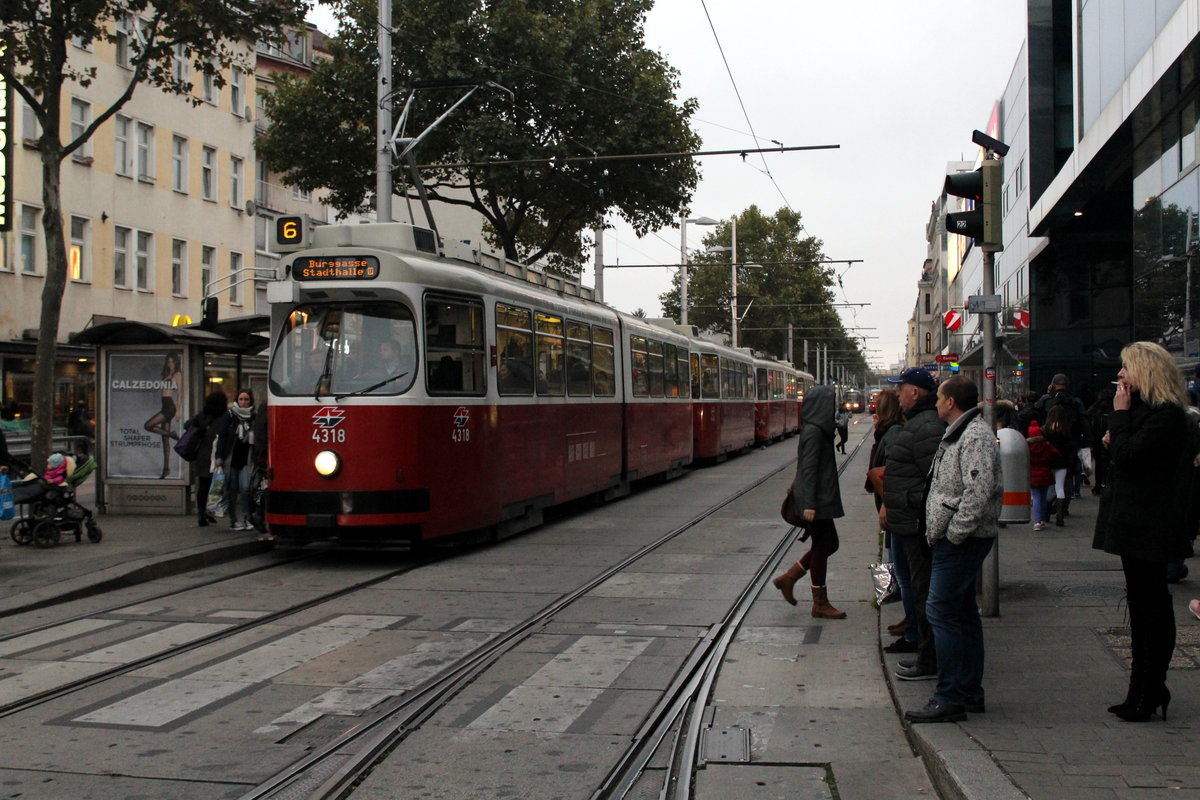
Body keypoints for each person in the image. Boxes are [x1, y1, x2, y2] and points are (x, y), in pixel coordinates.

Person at [1094, 341, 1197, 722]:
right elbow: (1126, 453)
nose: (1120, 375)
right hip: (1136, 522)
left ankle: (1150, 688)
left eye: (1126, 368)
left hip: (1150, 524)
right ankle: (1143, 688)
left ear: (1145, 372)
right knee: (1141, 607)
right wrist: (1117, 429)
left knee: (1150, 608)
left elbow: (1132, 457)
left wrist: (1118, 423)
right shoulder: (1146, 412)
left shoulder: (1166, 415)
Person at [905, 376, 1002, 723]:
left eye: (940, 398)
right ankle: (969, 692)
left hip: (961, 540)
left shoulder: (973, 436)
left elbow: (978, 492)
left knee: (941, 611)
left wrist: (954, 533)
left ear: (951, 402)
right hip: (957, 538)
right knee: (961, 615)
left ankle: (949, 697)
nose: (935, 403)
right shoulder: (962, 432)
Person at [881, 366, 946, 682]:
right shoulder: (920, 424)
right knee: (919, 590)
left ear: (916, 392)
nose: (897, 392)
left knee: (923, 593)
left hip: (918, 526)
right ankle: (925, 655)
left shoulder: (925, 427)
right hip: (909, 522)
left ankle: (929, 661)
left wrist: (908, 504)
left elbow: (933, 480)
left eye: (901, 387)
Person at [770, 384, 848, 619]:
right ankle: (819, 602)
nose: (832, 408)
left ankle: (790, 577)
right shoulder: (814, 432)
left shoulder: (819, 430)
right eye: (830, 404)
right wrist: (810, 504)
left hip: (821, 497)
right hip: (816, 500)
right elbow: (809, 469)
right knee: (824, 546)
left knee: (829, 544)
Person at [867, 389, 914, 653]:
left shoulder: (894, 433)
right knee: (892, 555)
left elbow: (894, 473)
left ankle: (909, 620)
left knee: (901, 567)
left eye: (877, 408)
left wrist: (886, 503)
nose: (873, 411)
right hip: (890, 507)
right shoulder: (887, 431)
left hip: (894, 507)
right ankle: (896, 606)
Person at [215, 389, 257, 531]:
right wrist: (219, 457)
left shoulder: (253, 416)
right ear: (237, 401)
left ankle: (247, 518)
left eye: (246, 399)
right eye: (241, 399)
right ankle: (234, 520)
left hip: (246, 459)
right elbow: (222, 437)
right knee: (231, 490)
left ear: (250, 401)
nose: (244, 402)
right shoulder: (230, 415)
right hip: (230, 459)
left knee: (246, 489)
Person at [184, 392, 227, 527]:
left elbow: (187, 425)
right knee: (217, 484)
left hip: (203, 453)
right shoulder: (224, 417)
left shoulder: (203, 415)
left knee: (203, 484)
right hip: (217, 453)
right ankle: (211, 509)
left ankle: (201, 513)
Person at [143, 353, 183, 479]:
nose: (170, 364)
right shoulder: (167, 374)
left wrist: (178, 411)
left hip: (170, 406)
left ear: (176, 362)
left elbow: (180, 393)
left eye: (172, 361)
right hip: (164, 405)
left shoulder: (177, 374)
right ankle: (166, 469)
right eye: (168, 362)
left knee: (148, 425)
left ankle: (172, 434)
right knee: (164, 440)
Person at [1026, 420, 1060, 532]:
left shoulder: (1027, 447)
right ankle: (1043, 519)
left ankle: (1036, 521)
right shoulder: (1046, 445)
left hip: (1033, 474)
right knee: (1044, 497)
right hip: (1045, 473)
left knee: (1035, 497)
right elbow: (1056, 454)